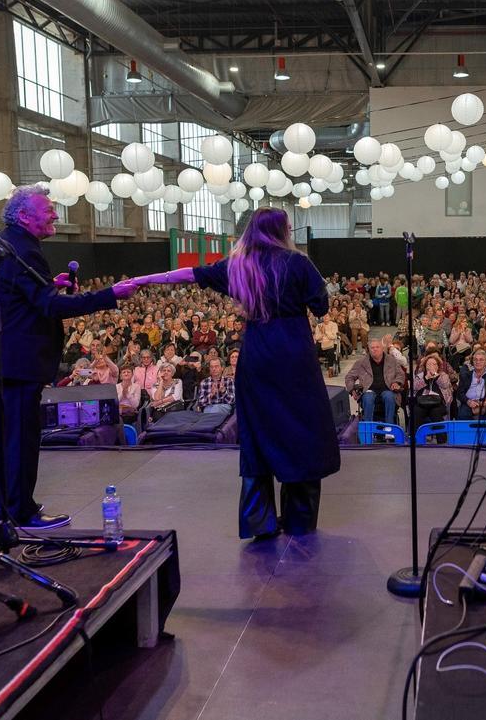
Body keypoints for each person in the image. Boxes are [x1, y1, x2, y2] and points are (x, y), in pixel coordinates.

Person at [129, 207, 340, 539]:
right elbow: (321, 305)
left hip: (256, 353)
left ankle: (261, 522)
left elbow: (189, 275)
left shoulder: (239, 266)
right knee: (300, 430)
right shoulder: (297, 263)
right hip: (293, 353)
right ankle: (299, 520)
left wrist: (141, 280)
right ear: (281, 230)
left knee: (257, 434)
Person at [0, 184, 136, 530]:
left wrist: (45, 283)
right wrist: (109, 295)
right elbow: (49, 307)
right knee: (20, 439)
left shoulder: (2, 243)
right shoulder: (24, 249)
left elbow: (18, 296)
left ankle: (5, 509)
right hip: (14, 361)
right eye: (48, 209)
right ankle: (22, 512)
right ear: (25, 215)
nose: (55, 213)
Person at [345, 339, 406, 424]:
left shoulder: (392, 360)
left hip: (388, 389)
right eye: (372, 347)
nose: (375, 349)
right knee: (368, 397)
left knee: (388, 396)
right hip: (368, 391)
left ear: (382, 348)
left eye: (377, 347)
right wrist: (352, 389)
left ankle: (389, 427)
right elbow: (349, 377)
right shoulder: (361, 362)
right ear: (369, 349)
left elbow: (401, 374)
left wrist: (397, 382)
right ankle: (368, 429)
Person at [411, 353, 452, 433]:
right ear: (425, 365)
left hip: (438, 403)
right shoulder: (420, 375)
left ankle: (442, 441)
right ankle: (417, 439)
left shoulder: (443, 375)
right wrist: (426, 378)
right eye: (429, 364)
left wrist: (436, 375)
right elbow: (414, 387)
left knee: (436, 412)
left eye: (434, 364)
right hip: (422, 402)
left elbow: (445, 384)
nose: (431, 366)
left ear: (438, 366)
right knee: (417, 411)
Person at [456, 348, 486, 420]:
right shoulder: (466, 375)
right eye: (475, 360)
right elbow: (459, 393)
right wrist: (468, 402)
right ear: (472, 362)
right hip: (470, 401)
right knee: (462, 416)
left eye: (481, 360)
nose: (478, 362)